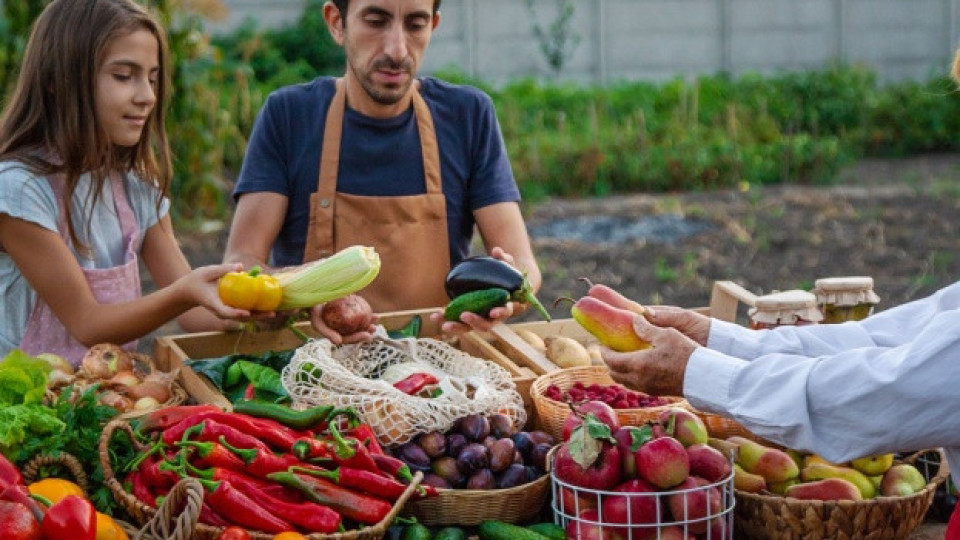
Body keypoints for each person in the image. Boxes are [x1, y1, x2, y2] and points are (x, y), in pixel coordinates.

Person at [223, 0, 542, 342]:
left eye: (415, 25)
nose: (397, 49)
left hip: (439, 375)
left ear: (433, 26)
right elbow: (243, 263)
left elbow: (523, 263)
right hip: (314, 370)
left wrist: (508, 293)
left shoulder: (469, 115)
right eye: (376, 21)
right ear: (336, 23)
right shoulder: (288, 116)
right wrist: (295, 298)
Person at [0, 0, 249, 367]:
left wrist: (274, 304)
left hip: (108, 395)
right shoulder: (19, 191)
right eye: (123, 76)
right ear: (57, 80)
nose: (147, 96)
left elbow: (198, 314)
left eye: (151, 78)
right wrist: (184, 292)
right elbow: (87, 322)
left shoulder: (137, 187)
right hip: (24, 409)